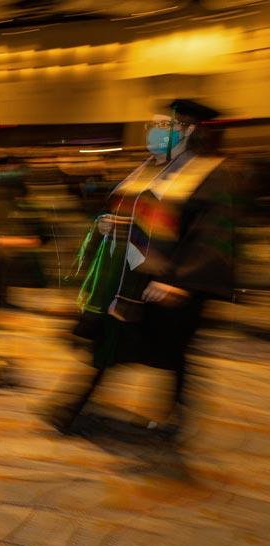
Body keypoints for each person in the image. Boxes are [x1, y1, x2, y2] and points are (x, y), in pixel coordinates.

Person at [47, 99, 239, 438]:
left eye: (163, 126)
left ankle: (174, 415)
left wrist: (181, 282)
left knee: (173, 353)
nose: (153, 133)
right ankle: (76, 404)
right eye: (152, 126)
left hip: (174, 284)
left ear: (189, 130)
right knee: (113, 342)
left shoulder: (210, 174)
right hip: (131, 280)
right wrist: (109, 224)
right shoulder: (148, 168)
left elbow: (213, 236)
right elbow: (135, 215)